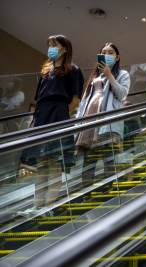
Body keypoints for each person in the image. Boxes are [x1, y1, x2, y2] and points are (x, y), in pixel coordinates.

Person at [19, 34, 84, 216]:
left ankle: (49, 206)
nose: (51, 48)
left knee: (54, 161)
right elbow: (37, 98)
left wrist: (63, 118)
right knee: (42, 162)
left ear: (64, 48)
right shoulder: (45, 71)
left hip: (58, 115)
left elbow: (75, 100)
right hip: (42, 116)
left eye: (54, 44)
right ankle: (36, 206)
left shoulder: (73, 70)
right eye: (49, 45)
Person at [76, 42, 130, 188]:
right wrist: (78, 122)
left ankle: (109, 191)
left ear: (117, 57)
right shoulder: (94, 76)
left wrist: (109, 75)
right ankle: (85, 192)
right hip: (90, 120)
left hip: (107, 121)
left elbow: (122, 94)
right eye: (104, 52)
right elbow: (84, 100)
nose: (107, 55)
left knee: (108, 157)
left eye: (111, 52)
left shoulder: (123, 74)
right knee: (89, 160)